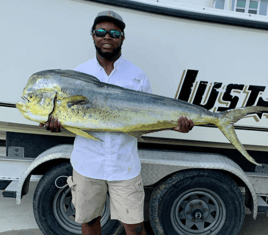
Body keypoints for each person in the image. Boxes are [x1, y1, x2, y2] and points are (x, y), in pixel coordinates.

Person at [40, 10, 194, 235]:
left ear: (122, 37)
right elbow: (67, 116)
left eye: (114, 32)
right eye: (101, 31)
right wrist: (55, 123)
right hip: (87, 164)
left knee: (135, 226)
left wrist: (174, 124)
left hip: (125, 166)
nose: (107, 37)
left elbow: (146, 123)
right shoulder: (78, 75)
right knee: (90, 221)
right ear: (93, 36)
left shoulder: (137, 76)